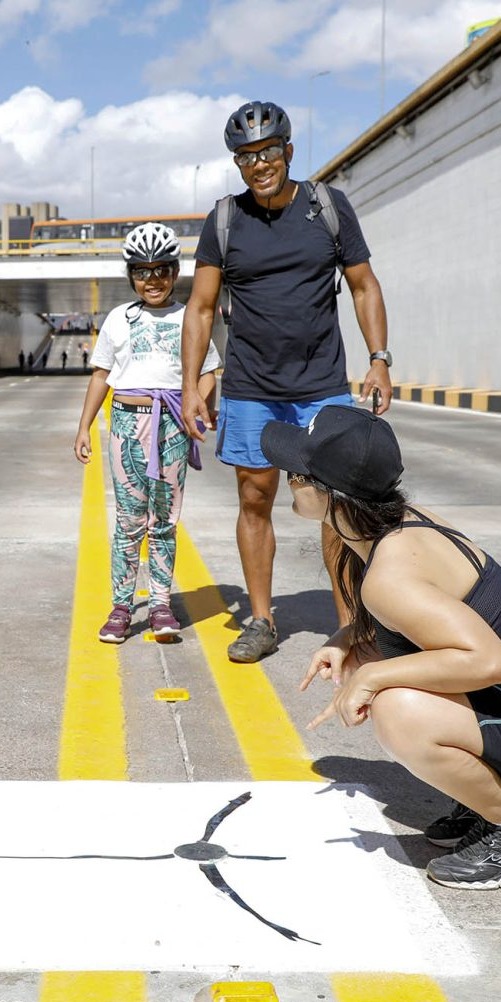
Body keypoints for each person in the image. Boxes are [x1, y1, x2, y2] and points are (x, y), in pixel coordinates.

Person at [265, 405, 501, 889]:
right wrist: (347, 640)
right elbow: (426, 619)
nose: (287, 481)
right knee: (368, 659)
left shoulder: (391, 572)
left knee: (398, 709)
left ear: (333, 494)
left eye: (296, 474)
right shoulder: (394, 524)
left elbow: (486, 661)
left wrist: (372, 676)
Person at [181, 100, 393, 663]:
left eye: (268, 151)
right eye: (246, 156)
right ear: (238, 163)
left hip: (321, 385)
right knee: (255, 497)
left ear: (288, 151)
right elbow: (200, 308)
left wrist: (379, 359)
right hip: (252, 387)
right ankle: (261, 619)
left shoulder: (328, 207)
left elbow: (364, 285)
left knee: (333, 504)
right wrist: (190, 385)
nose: (259, 164)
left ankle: (350, 625)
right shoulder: (225, 221)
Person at [74, 222, 220, 643]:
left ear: (175, 272)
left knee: (165, 520)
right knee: (128, 520)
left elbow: (209, 371)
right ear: (131, 275)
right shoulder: (119, 318)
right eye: (142, 271)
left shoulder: (190, 317)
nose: (152, 280)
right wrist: (84, 426)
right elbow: (101, 375)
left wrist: (198, 408)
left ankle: (159, 604)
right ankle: (121, 606)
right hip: (126, 423)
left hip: (172, 423)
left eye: (161, 270)